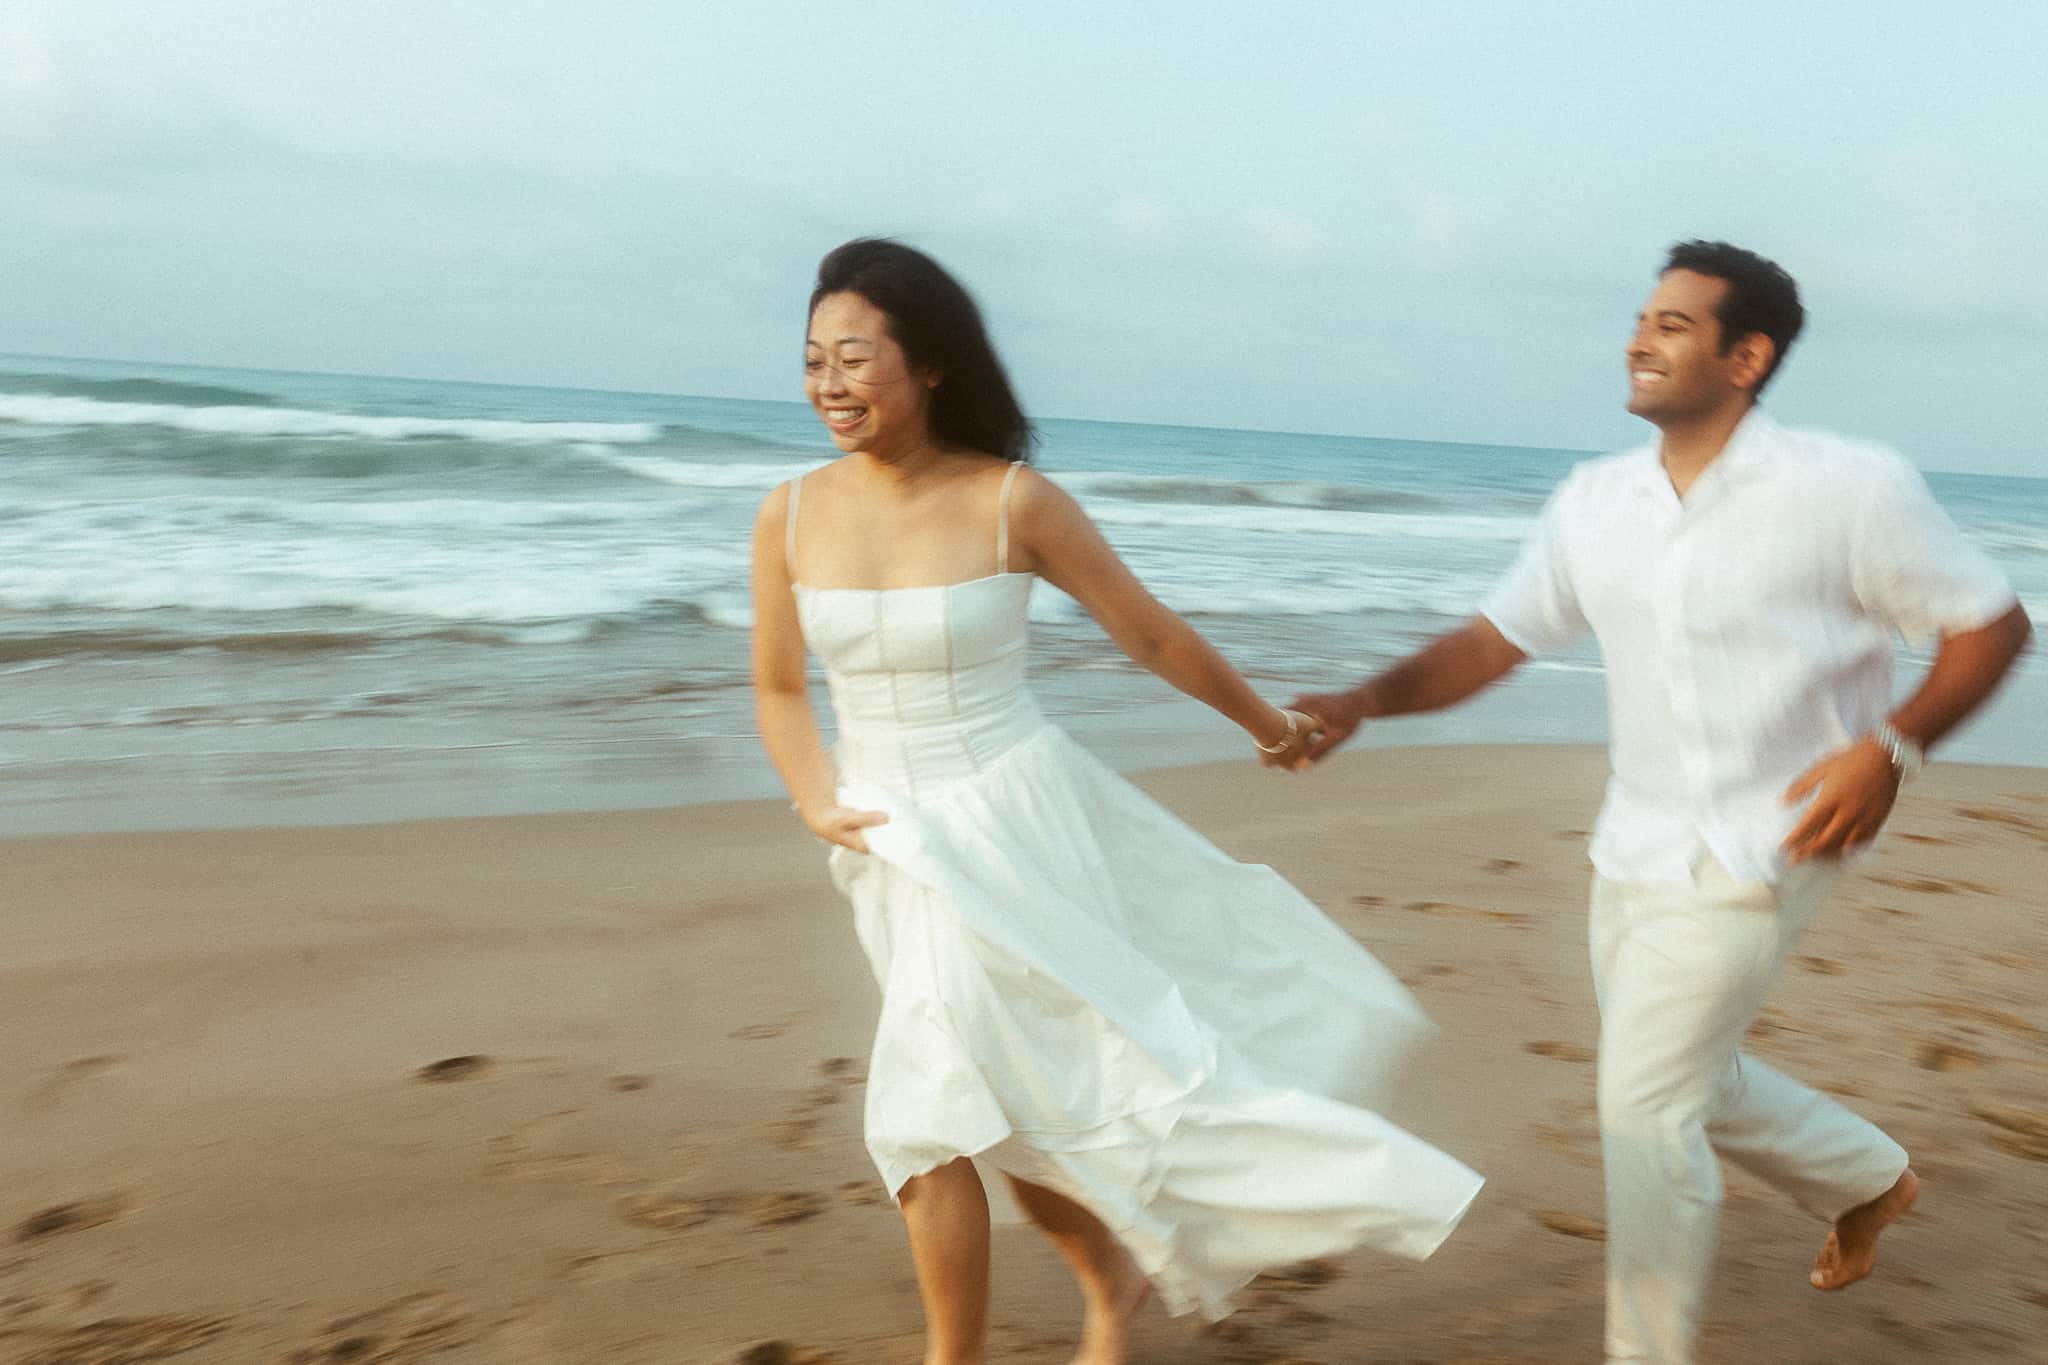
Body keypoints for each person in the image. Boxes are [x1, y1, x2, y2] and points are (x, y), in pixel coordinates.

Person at [1285, 240, 2032, 1365]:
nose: (1638, 339)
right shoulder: (1595, 501)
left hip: (1775, 835)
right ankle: (1868, 1179)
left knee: (1643, 1108)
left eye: (1672, 324)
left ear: (1746, 357)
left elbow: (1990, 623)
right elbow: (1493, 641)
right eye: (1641, 319)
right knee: (1688, 1077)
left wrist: (1891, 748)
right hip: (1632, 840)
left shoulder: (1846, 488)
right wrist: (1363, 701)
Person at [751, 238, 1482, 1365]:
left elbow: (1147, 632)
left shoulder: (1013, 501)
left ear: (930, 364)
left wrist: (1265, 724)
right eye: (813, 361)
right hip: (883, 841)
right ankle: (1108, 1282)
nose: (829, 384)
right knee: (1007, 1093)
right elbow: (778, 685)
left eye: (854, 358)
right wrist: (814, 798)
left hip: (1011, 817)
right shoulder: (789, 514)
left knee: (930, 1105)